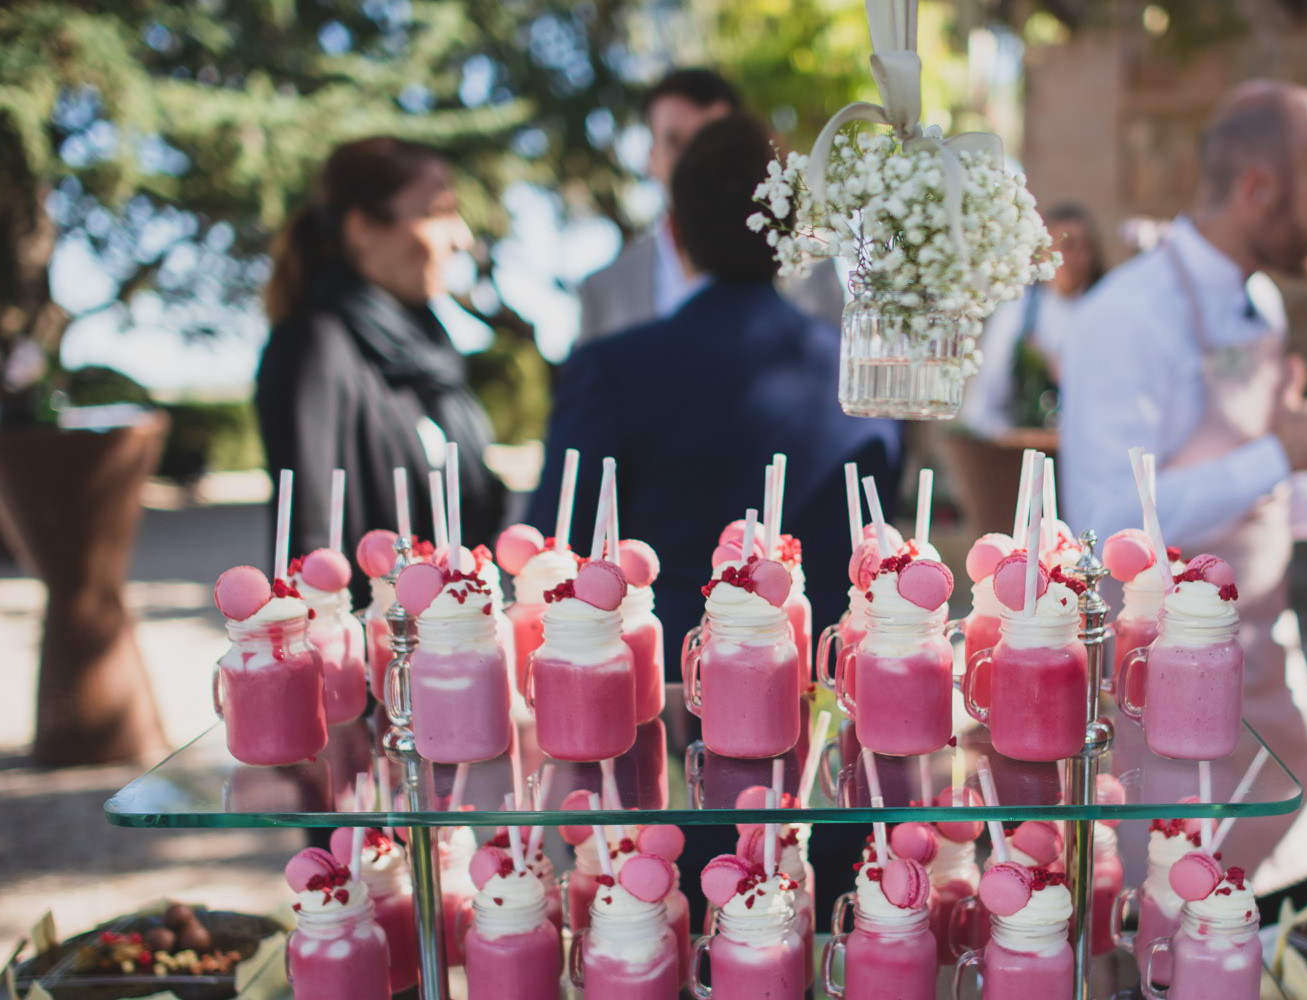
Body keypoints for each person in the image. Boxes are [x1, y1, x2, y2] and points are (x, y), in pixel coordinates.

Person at [1060, 80, 1307, 897]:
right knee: (1178, 950)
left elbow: (1247, 487)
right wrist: (1280, 450)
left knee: (1293, 927)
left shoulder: (1261, 299)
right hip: (1167, 713)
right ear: (1259, 187)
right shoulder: (1127, 317)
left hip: (1270, 688)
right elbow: (1105, 526)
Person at [522, 113, 897, 669]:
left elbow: (555, 552)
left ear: (674, 231)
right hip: (834, 684)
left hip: (661, 694)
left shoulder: (613, 370)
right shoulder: (865, 371)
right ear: (789, 234)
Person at [255, 137, 505, 583]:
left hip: (459, 637)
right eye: (436, 212)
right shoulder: (314, 345)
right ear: (363, 227)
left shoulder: (433, 355)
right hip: (375, 643)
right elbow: (308, 549)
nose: (462, 237)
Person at [577, 70, 843, 342]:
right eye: (675, 142)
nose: (694, 159)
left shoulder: (814, 272)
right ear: (651, 159)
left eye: (712, 139)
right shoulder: (604, 291)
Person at [944, 204, 1104, 535]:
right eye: (1063, 245)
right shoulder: (1018, 313)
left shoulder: (1106, 310)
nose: (1072, 257)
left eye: (1081, 246)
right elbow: (988, 389)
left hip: (1090, 461)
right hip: (1025, 460)